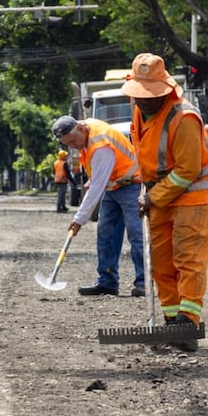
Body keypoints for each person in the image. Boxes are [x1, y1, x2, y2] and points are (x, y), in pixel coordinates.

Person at [122, 53, 208, 350]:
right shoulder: (138, 107)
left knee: (187, 256)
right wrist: (146, 189)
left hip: (192, 192)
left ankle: (188, 325)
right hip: (158, 191)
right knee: (160, 259)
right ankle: (171, 321)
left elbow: (188, 170)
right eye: (139, 96)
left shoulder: (184, 118)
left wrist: (154, 195)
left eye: (149, 96)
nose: (143, 101)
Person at [51, 114, 145, 298]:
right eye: (68, 144)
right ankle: (107, 282)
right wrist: (94, 179)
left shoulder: (100, 144)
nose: (73, 146)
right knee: (106, 233)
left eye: (73, 141)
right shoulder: (86, 130)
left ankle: (143, 283)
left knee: (136, 234)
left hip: (131, 185)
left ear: (80, 128)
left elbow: (96, 189)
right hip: (113, 185)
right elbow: (99, 178)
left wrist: (79, 219)